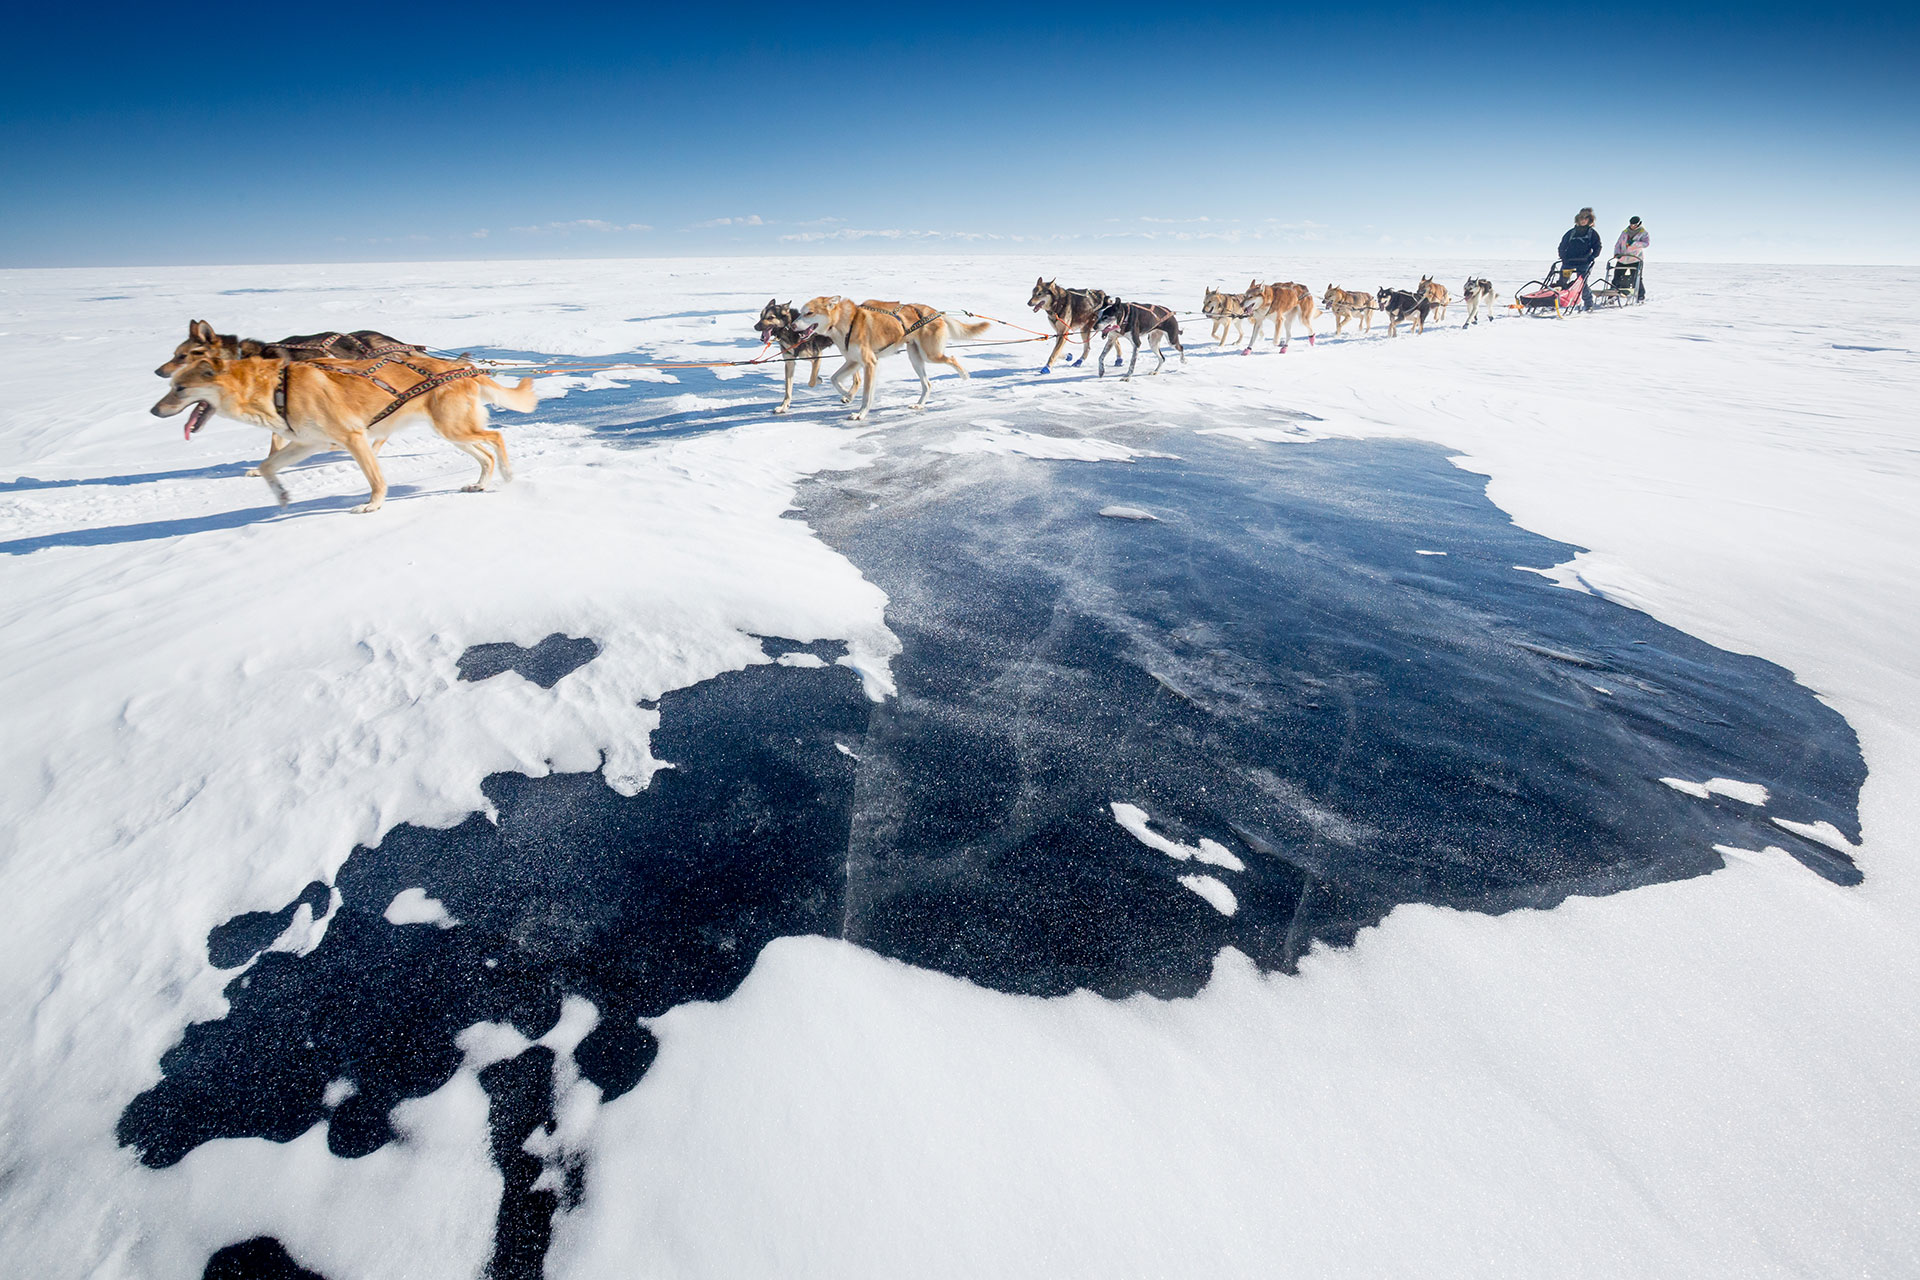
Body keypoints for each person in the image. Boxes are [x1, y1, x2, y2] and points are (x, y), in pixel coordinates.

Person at [1558, 207, 1604, 308]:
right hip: (1568, 262)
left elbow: (1597, 247)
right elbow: (1562, 245)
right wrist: (1563, 256)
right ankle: (1559, 302)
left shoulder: (1592, 233)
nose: (1583, 220)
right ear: (1578, 219)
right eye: (1581, 218)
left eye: (1586, 218)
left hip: (1583, 262)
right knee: (1562, 282)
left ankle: (1588, 304)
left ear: (1590, 220)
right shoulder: (1570, 233)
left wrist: (1592, 257)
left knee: (1581, 284)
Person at [1614, 216, 1650, 300]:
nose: (1632, 226)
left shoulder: (1643, 232)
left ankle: (1640, 296)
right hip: (1623, 259)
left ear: (1638, 224)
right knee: (1617, 278)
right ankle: (1612, 296)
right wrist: (1616, 254)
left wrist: (1634, 243)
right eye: (1631, 224)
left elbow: (1646, 244)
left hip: (1635, 259)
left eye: (1634, 224)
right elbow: (1618, 244)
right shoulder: (1625, 232)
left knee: (1636, 278)